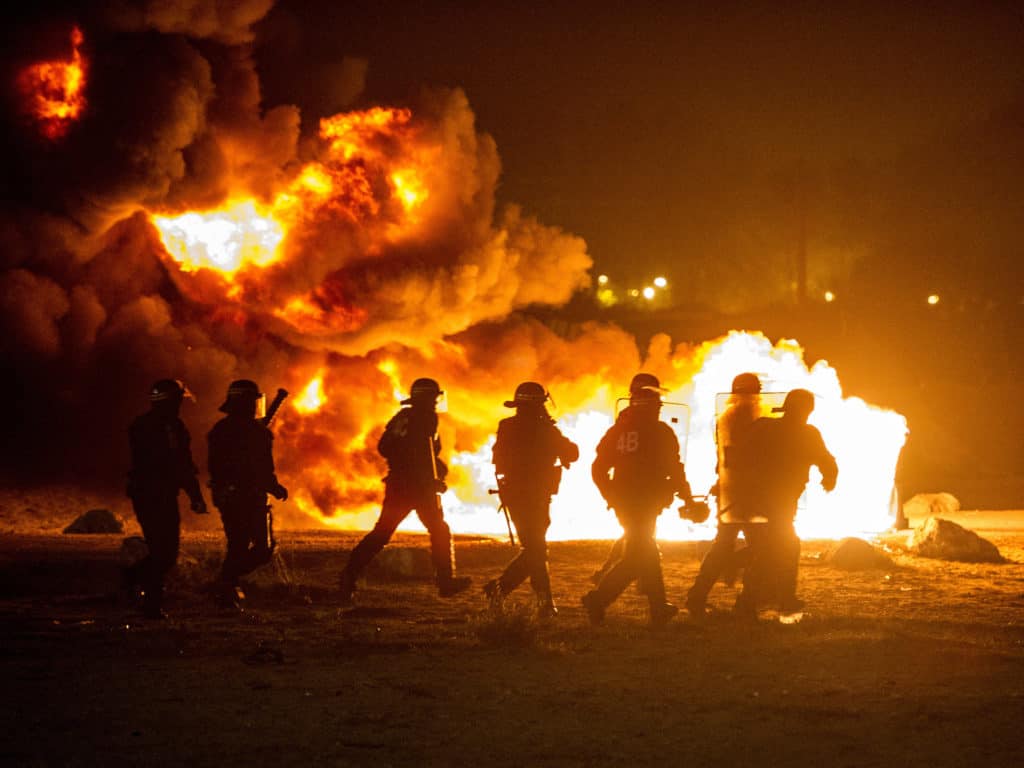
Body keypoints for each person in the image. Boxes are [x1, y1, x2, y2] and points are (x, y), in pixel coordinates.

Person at [338, 378, 471, 604]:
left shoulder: (415, 418)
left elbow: (421, 454)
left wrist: (437, 472)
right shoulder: (417, 418)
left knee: (413, 531)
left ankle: (348, 578)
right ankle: (445, 583)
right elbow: (403, 452)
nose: (436, 402)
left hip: (410, 486)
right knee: (415, 531)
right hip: (411, 487)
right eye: (433, 398)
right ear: (426, 398)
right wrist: (425, 475)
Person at [582, 373, 697, 627]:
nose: (660, 408)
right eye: (657, 403)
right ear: (652, 406)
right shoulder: (661, 432)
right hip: (646, 502)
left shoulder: (617, 431)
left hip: (625, 502)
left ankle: (659, 607)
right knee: (639, 556)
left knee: (646, 552)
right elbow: (674, 470)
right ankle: (599, 599)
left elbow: (598, 468)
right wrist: (687, 497)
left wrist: (610, 494)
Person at [733, 388, 838, 617]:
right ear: (806, 411)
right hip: (775, 502)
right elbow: (827, 462)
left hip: (755, 500)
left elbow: (738, 455)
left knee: (769, 548)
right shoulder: (806, 434)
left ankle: (757, 599)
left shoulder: (764, 427)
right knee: (780, 547)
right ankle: (772, 598)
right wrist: (829, 478)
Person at [484, 382, 579, 617]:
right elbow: (572, 453)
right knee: (536, 550)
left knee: (535, 548)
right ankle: (504, 591)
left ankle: (542, 602)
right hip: (536, 496)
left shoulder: (507, 426)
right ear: (539, 404)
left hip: (515, 496)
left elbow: (498, 460)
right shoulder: (545, 429)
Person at [124, 378, 208, 619]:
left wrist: (194, 495)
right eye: (178, 400)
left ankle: (138, 584)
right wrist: (195, 496)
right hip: (153, 496)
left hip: (155, 495)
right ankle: (150, 603)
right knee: (164, 551)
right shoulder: (165, 428)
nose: (181, 405)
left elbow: (182, 464)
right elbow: (180, 464)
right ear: (169, 402)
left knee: (166, 552)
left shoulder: (157, 426)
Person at [685, 372, 763, 618]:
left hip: (730, 489)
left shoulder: (727, 417)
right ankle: (745, 604)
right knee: (763, 547)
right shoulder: (746, 419)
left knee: (725, 546)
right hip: (745, 492)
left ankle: (698, 598)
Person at [208, 379, 288, 609]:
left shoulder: (229, 430)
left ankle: (226, 581)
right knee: (248, 547)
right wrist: (273, 486)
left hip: (243, 497)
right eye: (252, 402)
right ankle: (226, 585)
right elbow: (259, 466)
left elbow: (261, 467)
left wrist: (271, 486)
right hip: (241, 498)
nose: (255, 406)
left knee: (252, 548)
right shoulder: (246, 432)